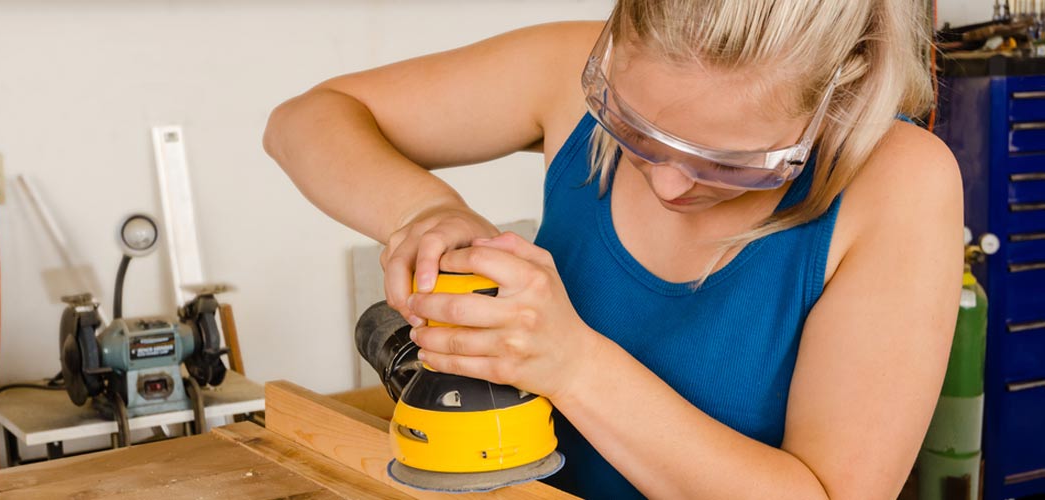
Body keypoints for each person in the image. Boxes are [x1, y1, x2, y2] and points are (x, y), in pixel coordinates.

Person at [264, 0, 963, 497]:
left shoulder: (898, 181)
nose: (666, 183)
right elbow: (306, 120)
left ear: (836, 90)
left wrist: (576, 366)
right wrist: (421, 211)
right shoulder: (562, 66)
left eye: (729, 163)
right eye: (631, 128)